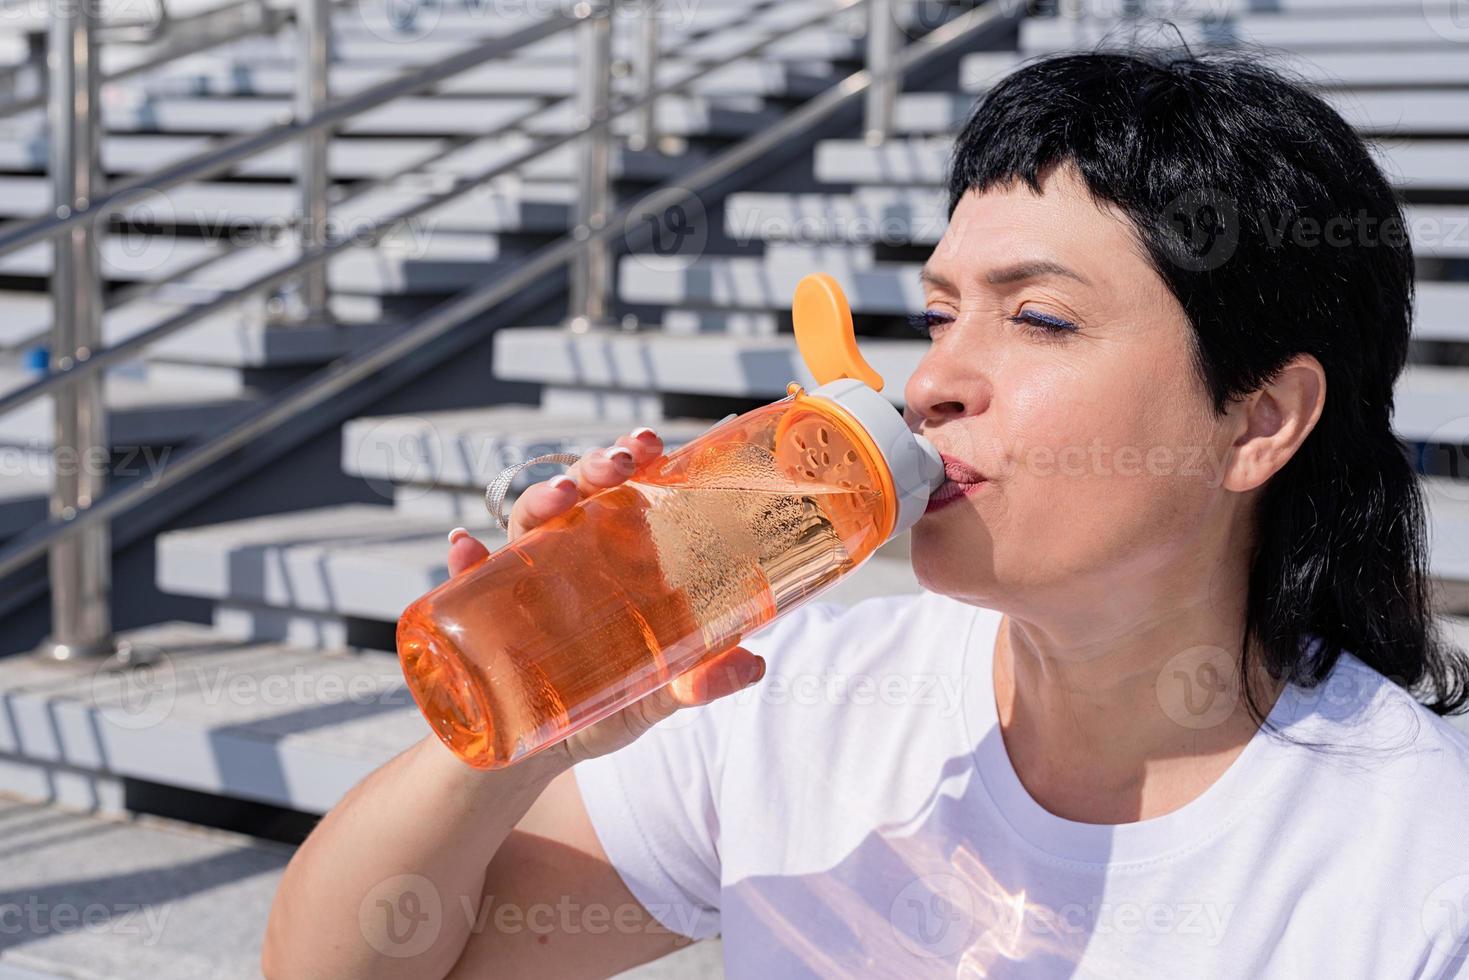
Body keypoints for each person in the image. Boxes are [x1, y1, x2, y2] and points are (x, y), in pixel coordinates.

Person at [262, 49, 1469, 978]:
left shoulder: (1416, 864)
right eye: (940, 315)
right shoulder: (806, 700)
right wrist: (542, 719)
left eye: (1037, 318)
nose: (931, 381)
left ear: (1258, 419)